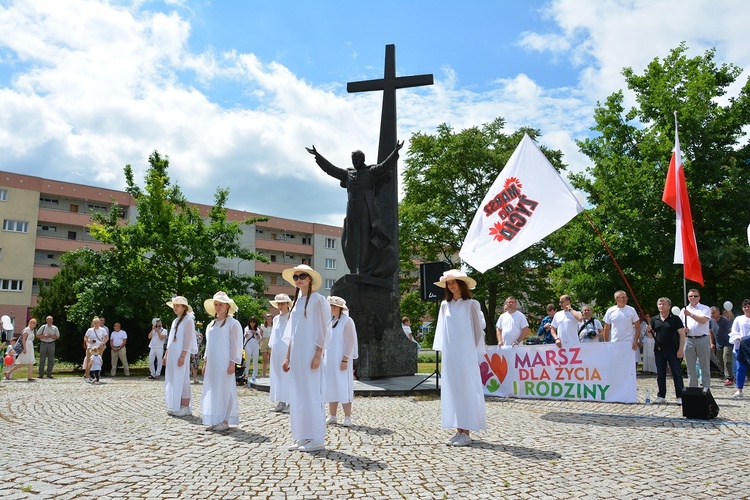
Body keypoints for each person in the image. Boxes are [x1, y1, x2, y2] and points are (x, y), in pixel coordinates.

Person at [306, 141, 404, 277]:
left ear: (363, 160)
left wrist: (395, 152)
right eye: (353, 159)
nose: (355, 162)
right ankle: (355, 268)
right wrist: (317, 156)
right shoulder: (348, 173)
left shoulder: (370, 172)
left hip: (366, 209)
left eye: (357, 159)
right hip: (351, 210)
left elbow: (385, 166)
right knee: (350, 240)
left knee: (364, 239)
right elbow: (331, 169)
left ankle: (362, 270)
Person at [432, 269, 486, 447]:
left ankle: (467, 431)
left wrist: (474, 350)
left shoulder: (471, 304)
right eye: (448, 282)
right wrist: (442, 350)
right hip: (451, 354)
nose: (451, 285)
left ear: (462, 283)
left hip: (465, 353)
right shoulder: (444, 306)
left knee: (466, 389)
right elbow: (442, 330)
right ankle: (458, 430)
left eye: (454, 281)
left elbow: (478, 330)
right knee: (453, 390)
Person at [281, 264, 330, 452]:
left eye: (302, 275)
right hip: (297, 355)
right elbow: (292, 332)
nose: (299, 278)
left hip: (311, 353)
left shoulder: (318, 300)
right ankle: (303, 436)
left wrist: (318, 354)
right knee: (298, 394)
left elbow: (323, 329)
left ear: (310, 279)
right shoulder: (297, 302)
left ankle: (317, 439)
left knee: (312, 395)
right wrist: (287, 357)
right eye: (296, 277)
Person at [202, 291, 243, 431]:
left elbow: (235, 344)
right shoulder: (211, 324)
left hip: (225, 361)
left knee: (227, 389)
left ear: (227, 306)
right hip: (213, 362)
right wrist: (205, 361)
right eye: (216, 304)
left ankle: (225, 420)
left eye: (221, 304)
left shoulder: (232, 323)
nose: (218, 306)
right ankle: (216, 418)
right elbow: (208, 345)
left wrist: (233, 362)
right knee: (214, 389)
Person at [323, 296, 358, 427]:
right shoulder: (329, 322)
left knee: (343, 386)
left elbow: (350, 342)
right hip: (330, 360)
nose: (330, 308)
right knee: (331, 386)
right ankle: (332, 415)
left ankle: (347, 416)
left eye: (332, 306)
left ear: (338, 308)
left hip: (342, 360)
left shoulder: (347, 321)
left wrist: (345, 359)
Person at [164, 296, 198, 417]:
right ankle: (176, 404)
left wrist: (183, 356)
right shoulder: (175, 321)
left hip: (181, 354)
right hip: (173, 354)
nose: (175, 308)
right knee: (174, 379)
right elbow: (171, 340)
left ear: (184, 307)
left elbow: (188, 340)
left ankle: (185, 406)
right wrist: (166, 354)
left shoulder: (188, 320)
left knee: (183, 379)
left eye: (177, 305)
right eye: (174, 305)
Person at [648, 297, 686, 404]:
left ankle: (680, 396)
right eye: (659, 304)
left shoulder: (675, 319)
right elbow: (651, 337)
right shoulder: (655, 319)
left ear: (669, 306)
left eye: (663, 304)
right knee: (660, 373)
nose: (661, 306)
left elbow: (682, 335)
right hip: (659, 350)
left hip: (673, 350)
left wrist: (680, 350)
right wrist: (649, 331)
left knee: (676, 373)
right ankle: (661, 395)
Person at [681, 289, 712, 390]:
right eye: (690, 296)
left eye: (695, 296)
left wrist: (691, 314)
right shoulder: (683, 310)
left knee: (704, 365)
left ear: (699, 297)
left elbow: (703, 320)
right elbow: (680, 324)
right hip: (689, 339)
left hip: (702, 339)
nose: (692, 298)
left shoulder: (705, 308)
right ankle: (693, 388)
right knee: (690, 367)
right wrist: (683, 329)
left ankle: (706, 387)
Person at [268, 293, 292, 413]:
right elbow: (274, 336)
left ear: (288, 304)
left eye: (282, 303)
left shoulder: (291, 317)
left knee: (288, 376)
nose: (280, 306)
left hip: (287, 351)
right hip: (276, 351)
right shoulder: (276, 319)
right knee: (278, 375)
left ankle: (290, 401)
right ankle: (281, 401)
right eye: (279, 304)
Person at [603, 291, 641, 362]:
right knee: (615, 363)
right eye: (622, 297)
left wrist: (635, 341)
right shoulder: (610, 310)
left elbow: (638, 327)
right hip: (615, 342)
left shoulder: (631, 310)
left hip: (629, 342)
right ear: (616, 299)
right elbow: (606, 328)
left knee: (629, 365)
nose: (625, 299)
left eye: (626, 297)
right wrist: (606, 342)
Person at [729, 299, 750, 398]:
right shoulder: (739, 319)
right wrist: (737, 337)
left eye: (749, 306)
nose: (747, 308)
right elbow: (734, 331)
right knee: (740, 368)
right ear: (742, 308)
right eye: (745, 306)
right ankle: (739, 389)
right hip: (741, 347)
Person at [711, 306, 734, 386]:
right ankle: (728, 375)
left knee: (726, 358)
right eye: (711, 313)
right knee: (720, 361)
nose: (712, 314)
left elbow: (730, 329)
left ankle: (729, 378)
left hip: (727, 343)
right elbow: (710, 332)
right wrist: (711, 343)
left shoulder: (724, 320)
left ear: (718, 312)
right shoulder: (711, 321)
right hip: (718, 344)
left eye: (713, 313)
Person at [83, 317, 108, 383]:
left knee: (98, 362)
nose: (96, 324)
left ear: (99, 323)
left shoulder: (102, 330)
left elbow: (106, 338)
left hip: (99, 347)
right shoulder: (90, 330)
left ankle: (96, 377)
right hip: (91, 347)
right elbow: (85, 338)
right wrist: (89, 341)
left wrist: (103, 343)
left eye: (97, 323)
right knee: (89, 362)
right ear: (93, 323)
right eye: (95, 323)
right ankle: (87, 376)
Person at [243, 317, 262, 384]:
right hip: (248, 345)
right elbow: (245, 335)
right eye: (251, 322)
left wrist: (256, 333)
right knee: (247, 360)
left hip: (255, 346)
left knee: (255, 360)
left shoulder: (258, 329)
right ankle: (246, 375)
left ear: (255, 323)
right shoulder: (247, 328)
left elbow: (260, 338)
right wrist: (246, 335)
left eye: (253, 322)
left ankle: (255, 375)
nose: (252, 323)